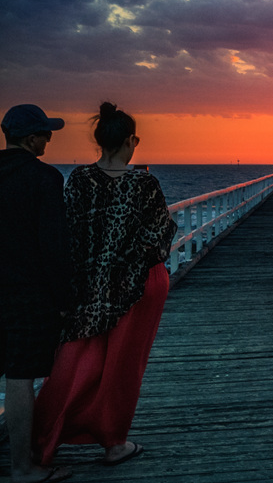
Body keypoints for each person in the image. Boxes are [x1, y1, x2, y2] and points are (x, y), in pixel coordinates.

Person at [33, 102, 177, 468]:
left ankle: (43, 439)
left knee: (74, 359)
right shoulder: (144, 183)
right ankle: (114, 442)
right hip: (137, 287)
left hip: (87, 288)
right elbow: (159, 235)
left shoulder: (80, 180)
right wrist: (124, 265)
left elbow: (69, 236)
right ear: (129, 141)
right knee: (124, 366)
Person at [1, 104, 73, 483]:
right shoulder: (43, 179)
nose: (48, 139)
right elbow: (54, 246)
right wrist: (64, 301)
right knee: (20, 376)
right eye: (46, 134)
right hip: (26, 294)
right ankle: (22, 467)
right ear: (31, 139)